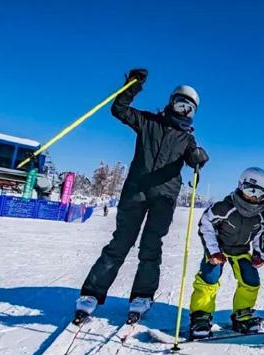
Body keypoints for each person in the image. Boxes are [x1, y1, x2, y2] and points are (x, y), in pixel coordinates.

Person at [75, 68, 209, 323]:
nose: (183, 112)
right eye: (181, 105)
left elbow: (195, 161)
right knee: (120, 243)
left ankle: (142, 295)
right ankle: (92, 292)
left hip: (164, 199)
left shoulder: (188, 139)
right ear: (171, 102)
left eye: (189, 109)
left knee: (151, 247)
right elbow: (120, 110)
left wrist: (199, 159)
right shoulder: (149, 122)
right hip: (135, 192)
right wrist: (132, 86)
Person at [188, 167, 264, 338]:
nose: (254, 197)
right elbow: (206, 225)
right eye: (251, 190)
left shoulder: (260, 216)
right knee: (209, 276)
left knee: (251, 279)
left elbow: (261, 234)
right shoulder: (224, 208)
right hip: (219, 248)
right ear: (241, 186)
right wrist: (213, 251)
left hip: (241, 251)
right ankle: (201, 315)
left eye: (260, 194)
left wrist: (259, 254)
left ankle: (242, 314)